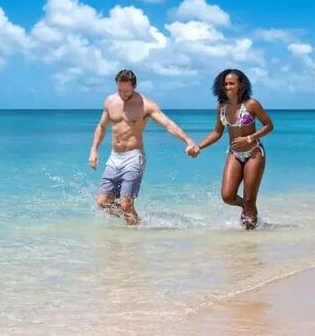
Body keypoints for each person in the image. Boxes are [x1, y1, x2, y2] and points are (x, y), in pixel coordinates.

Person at [89, 69, 199, 226]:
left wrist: (188, 140)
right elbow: (101, 126)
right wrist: (94, 150)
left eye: (126, 91)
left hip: (134, 157)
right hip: (114, 157)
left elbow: (168, 125)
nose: (122, 94)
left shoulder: (146, 105)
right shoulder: (110, 101)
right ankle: (136, 221)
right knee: (102, 203)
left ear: (134, 86)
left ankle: (132, 233)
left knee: (126, 204)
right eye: (119, 90)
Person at [188, 69, 274, 230]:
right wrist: (199, 146)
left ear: (240, 85)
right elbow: (217, 133)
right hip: (234, 154)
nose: (228, 87)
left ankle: (250, 237)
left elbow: (269, 126)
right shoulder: (222, 107)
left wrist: (249, 138)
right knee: (227, 196)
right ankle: (247, 208)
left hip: (254, 153)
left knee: (250, 198)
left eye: (231, 83)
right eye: (225, 84)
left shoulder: (251, 104)